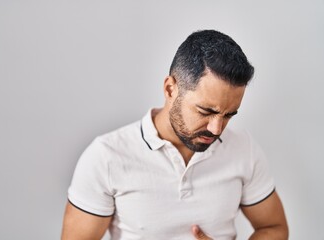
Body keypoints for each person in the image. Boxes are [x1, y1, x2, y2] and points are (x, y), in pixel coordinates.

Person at [61, 30, 288, 239]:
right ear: (170, 89)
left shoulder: (243, 149)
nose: (216, 129)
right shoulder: (106, 157)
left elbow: (274, 228)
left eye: (229, 115)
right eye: (206, 111)